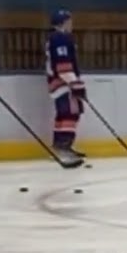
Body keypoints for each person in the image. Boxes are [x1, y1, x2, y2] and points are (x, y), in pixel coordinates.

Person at [45, 9, 86, 163]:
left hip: (59, 82)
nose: (71, 24)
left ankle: (60, 147)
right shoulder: (60, 38)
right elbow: (63, 65)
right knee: (70, 113)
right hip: (63, 83)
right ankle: (63, 147)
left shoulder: (57, 38)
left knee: (64, 113)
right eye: (69, 21)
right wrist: (75, 84)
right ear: (62, 23)